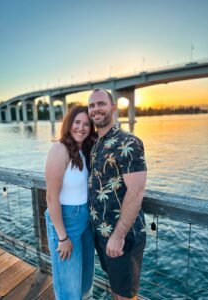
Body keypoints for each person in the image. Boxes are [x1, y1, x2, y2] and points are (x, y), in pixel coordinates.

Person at [87, 89, 147, 300]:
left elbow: (137, 190)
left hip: (122, 236)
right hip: (102, 235)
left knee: (125, 296)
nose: (96, 109)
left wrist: (118, 236)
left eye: (101, 104)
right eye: (92, 106)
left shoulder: (128, 142)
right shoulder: (96, 144)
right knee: (117, 291)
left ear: (113, 108)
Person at [45, 105, 95, 300]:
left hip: (86, 220)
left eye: (86, 124)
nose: (81, 128)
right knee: (69, 288)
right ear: (69, 123)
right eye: (77, 122)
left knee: (85, 283)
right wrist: (62, 237)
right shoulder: (59, 149)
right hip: (66, 222)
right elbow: (51, 197)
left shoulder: (83, 151)